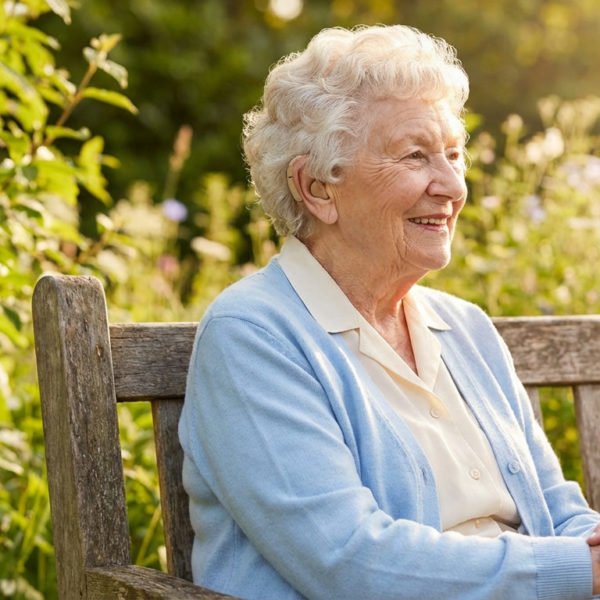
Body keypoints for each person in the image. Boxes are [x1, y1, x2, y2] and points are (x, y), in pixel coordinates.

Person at [178, 24, 600, 600]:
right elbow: (350, 562)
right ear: (317, 189)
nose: (452, 185)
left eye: (454, 154)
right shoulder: (254, 337)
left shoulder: (466, 329)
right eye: (416, 156)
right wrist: (574, 571)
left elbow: (558, 514)